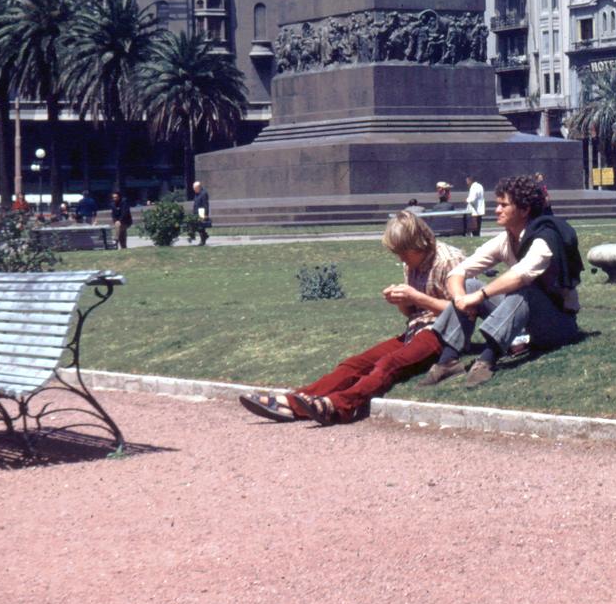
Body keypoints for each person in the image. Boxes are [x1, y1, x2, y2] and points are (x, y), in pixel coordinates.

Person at [238, 210, 464, 425]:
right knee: (355, 363)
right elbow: (412, 313)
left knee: (388, 364)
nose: (402, 259)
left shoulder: (448, 261)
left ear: (419, 243)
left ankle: (338, 406)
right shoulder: (410, 263)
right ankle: (291, 402)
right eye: (398, 254)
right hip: (415, 329)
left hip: (441, 333)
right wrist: (403, 302)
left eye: (405, 252)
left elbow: (464, 310)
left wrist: (417, 297)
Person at [421, 174, 583, 389]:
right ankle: (447, 361)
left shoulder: (545, 238)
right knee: (469, 285)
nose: (496, 210)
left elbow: (520, 275)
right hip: (525, 321)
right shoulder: (506, 239)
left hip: (558, 326)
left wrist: (479, 297)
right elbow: (458, 272)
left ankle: (487, 359)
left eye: (503, 205)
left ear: (524, 210)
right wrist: (461, 299)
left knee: (524, 289)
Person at [190, 181, 211, 246]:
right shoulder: (197, 194)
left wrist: (206, 214)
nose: (194, 190)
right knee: (197, 226)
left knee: (200, 227)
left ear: (198, 187)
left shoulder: (204, 193)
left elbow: (206, 204)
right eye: (194, 189)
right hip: (196, 212)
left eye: (195, 188)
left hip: (202, 212)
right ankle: (205, 236)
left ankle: (203, 241)